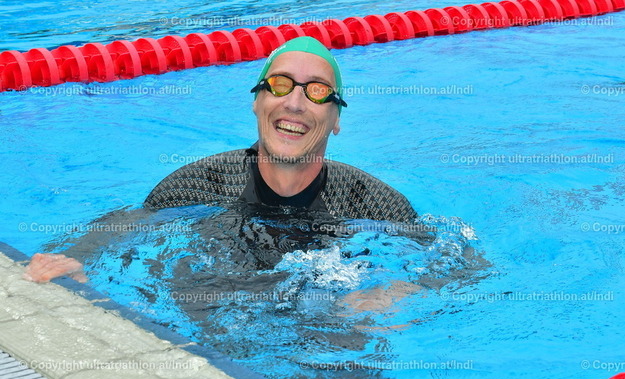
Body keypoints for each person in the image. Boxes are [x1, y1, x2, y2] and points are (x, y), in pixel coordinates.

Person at [24, 36, 418, 283]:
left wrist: (396, 292)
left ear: (337, 119)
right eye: (279, 85)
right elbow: (123, 226)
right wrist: (76, 259)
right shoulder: (198, 185)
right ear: (256, 102)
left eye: (317, 91)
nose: (295, 103)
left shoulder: (375, 203)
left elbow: (444, 268)